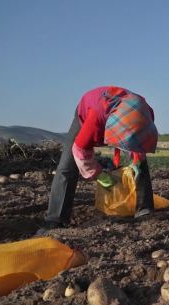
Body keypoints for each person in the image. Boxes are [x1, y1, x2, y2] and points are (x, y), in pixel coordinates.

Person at [40, 86, 158, 231]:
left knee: (139, 161)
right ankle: (55, 218)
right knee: (67, 166)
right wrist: (98, 174)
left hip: (126, 116)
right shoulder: (94, 120)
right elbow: (80, 150)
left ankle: (144, 208)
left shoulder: (145, 114)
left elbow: (139, 141)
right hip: (88, 109)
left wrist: (136, 161)